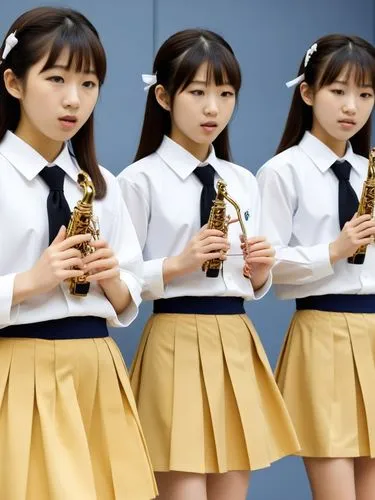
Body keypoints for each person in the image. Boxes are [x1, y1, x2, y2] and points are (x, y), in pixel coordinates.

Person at [118, 28, 299, 500]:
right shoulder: (137, 181)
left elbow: (250, 280)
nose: (213, 108)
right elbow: (117, 280)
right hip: (173, 341)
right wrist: (177, 264)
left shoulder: (241, 179)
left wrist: (259, 271)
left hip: (236, 342)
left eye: (225, 93)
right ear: (163, 96)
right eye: (197, 92)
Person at [0, 6, 157, 499]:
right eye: (56, 78)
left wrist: (114, 279)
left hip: (96, 370)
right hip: (17, 371)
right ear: (13, 83)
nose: (75, 99)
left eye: (89, 84)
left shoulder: (102, 184)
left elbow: (129, 293)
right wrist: (29, 282)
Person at [257, 34, 375, 500]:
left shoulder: (369, 171)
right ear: (307, 92)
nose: (352, 106)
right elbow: (266, 263)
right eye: (338, 91)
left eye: (365, 94)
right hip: (322, 332)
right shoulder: (281, 171)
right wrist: (335, 249)